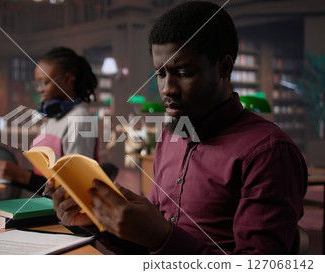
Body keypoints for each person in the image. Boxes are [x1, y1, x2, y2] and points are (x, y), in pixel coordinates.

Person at [44, 1, 308, 254]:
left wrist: (161, 236)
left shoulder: (269, 153)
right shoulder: (170, 136)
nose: (167, 88)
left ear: (223, 68)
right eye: (160, 73)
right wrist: (98, 221)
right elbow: (149, 248)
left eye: (183, 72)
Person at [0, 47, 99, 193]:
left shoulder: (80, 119)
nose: (39, 89)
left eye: (44, 82)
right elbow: (45, 176)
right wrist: (13, 173)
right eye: (37, 83)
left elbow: (78, 188)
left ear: (67, 79)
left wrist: (21, 176)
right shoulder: (55, 118)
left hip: (59, 214)